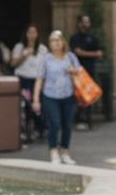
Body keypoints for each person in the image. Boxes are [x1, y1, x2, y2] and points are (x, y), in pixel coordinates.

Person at [32, 29, 82, 165]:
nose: (55, 43)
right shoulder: (45, 59)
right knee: (54, 123)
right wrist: (36, 99)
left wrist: (74, 70)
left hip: (68, 95)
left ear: (63, 41)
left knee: (67, 125)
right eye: (52, 41)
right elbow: (39, 79)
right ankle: (53, 151)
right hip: (50, 96)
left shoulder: (70, 57)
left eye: (57, 40)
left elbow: (80, 72)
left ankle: (65, 151)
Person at [11, 24, 46, 144]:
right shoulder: (19, 47)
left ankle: (38, 130)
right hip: (24, 80)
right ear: (25, 34)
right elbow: (13, 63)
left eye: (34, 33)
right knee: (26, 104)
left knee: (37, 106)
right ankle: (26, 132)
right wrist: (24, 54)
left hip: (37, 81)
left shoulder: (42, 49)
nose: (31, 35)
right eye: (29, 32)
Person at [69, 14, 103, 130]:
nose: (86, 24)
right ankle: (78, 119)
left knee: (89, 95)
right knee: (78, 96)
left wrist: (85, 53)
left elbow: (99, 53)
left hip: (90, 71)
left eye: (88, 22)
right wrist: (91, 54)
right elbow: (77, 52)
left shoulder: (93, 38)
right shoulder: (75, 38)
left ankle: (87, 120)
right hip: (78, 72)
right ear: (79, 23)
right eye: (84, 21)